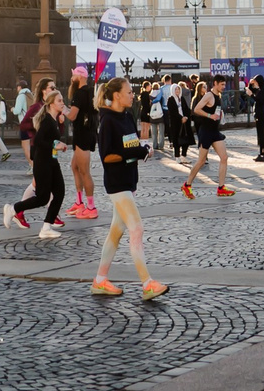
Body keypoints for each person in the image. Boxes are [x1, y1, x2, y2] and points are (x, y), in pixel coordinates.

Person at [89, 78, 167, 300]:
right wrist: (134, 153)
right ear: (116, 96)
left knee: (116, 232)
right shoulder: (107, 122)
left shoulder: (127, 116)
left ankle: (100, 280)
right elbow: (107, 156)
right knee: (137, 228)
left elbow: (131, 145)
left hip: (129, 181)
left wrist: (143, 149)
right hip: (117, 184)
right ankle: (147, 283)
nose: (133, 95)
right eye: (129, 92)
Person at [5, 80, 69, 239]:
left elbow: (52, 137)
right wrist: (57, 144)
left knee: (59, 192)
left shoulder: (53, 120)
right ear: (52, 104)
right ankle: (13, 209)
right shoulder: (47, 120)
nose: (63, 103)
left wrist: (59, 132)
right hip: (43, 162)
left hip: (51, 161)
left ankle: (47, 227)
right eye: (59, 101)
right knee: (43, 197)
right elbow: (40, 141)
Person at [184, 75, 238, 198]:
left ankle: (221, 188)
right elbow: (196, 109)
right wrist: (210, 116)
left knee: (224, 157)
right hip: (206, 132)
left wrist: (219, 115)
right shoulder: (209, 95)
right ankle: (187, 185)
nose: (224, 87)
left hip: (215, 132)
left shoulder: (218, 96)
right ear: (215, 83)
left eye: (224, 84)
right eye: (222, 84)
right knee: (201, 161)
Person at [67, 69, 99, 219]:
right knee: (75, 166)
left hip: (82, 135)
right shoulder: (91, 91)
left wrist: (61, 110)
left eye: (73, 75)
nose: (72, 78)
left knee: (85, 171)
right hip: (88, 133)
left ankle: (91, 207)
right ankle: (79, 202)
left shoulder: (79, 93)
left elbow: (72, 115)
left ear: (79, 77)